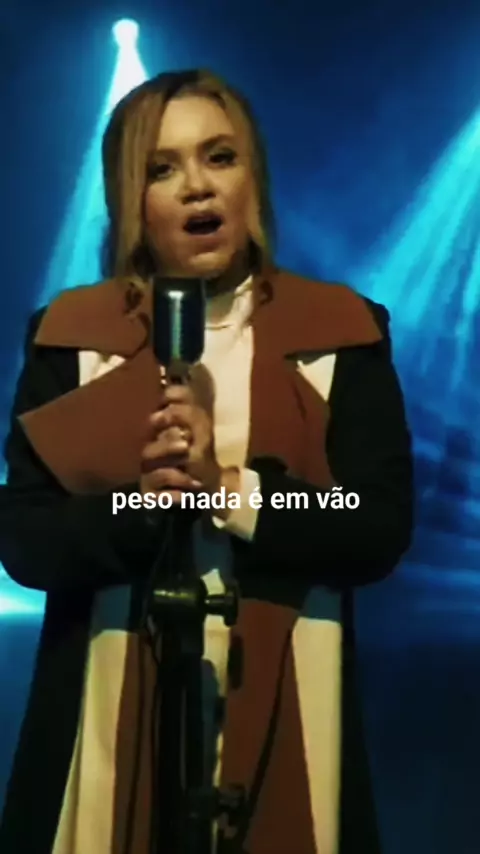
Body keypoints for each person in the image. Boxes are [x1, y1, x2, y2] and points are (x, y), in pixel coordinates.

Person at [0, 68, 414, 854]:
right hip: (104, 710)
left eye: (220, 157)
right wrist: (144, 503)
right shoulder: (69, 334)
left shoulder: (342, 329)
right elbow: (26, 539)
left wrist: (229, 492)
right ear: (129, 199)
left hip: (293, 701)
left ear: (253, 176)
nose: (197, 187)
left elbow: (371, 523)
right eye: (163, 168)